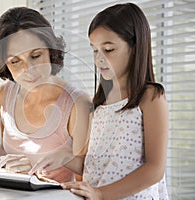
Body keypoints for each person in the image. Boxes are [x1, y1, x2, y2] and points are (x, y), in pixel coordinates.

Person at [0, 6, 91, 183]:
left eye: (36, 55)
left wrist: (35, 173)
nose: (28, 70)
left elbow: (85, 179)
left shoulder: (78, 104)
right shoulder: (3, 94)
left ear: (50, 50)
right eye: (15, 61)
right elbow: (7, 150)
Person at [60, 3, 169, 199]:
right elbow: (93, 164)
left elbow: (155, 169)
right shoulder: (100, 104)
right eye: (94, 50)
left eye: (108, 49)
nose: (99, 58)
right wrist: (59, 158)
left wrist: (101, 193)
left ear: (135, 48)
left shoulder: (151, 97)